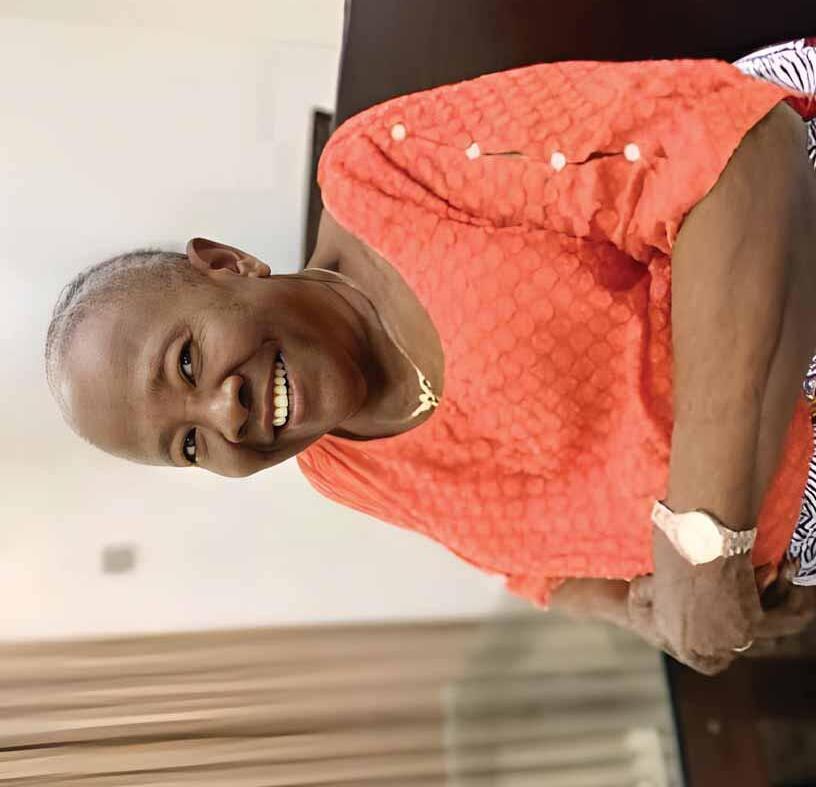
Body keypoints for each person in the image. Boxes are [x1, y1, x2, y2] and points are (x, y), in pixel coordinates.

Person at [47, 43, 816, 674]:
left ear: (228, 264)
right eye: (187, 445)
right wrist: (648, 608)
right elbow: (526, 562)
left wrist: (704, 539)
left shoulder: (383, 173)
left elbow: (742, 152)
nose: (224, 414)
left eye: (186, 362)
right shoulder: (339, 468)